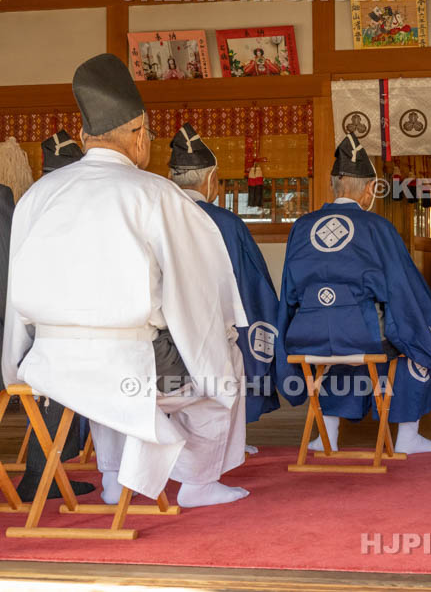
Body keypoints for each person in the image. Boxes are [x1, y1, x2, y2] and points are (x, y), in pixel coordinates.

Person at [2, 53, 249, 509]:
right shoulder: (155, 195)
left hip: (51, 366)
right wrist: (214, 357)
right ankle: (198, 483)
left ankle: (115, 478)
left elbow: (17, 294)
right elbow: (198, 301)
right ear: (138, 135)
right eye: (149, 134)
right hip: (133, 365)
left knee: (99, 374)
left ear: (82, 136)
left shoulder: (38, 195)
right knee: (226, 363)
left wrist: (14, 364)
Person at [276, 133, 431, 454]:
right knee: (415, 339)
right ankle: (408, 437)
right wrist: (430, 324)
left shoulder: (302, 226)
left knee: (335, 343)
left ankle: (325, 435)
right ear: (370, 189)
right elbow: (403, 286)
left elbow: (289, 291)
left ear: (333, 185)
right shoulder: (376, 227)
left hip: (307, 336)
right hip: (363, 335)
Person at [167, 123, 281, 431]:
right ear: (211, 180)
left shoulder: (155, 216)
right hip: (213, 338)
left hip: (161, 338)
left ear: (169, 179)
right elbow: (252, 287)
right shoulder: (227, 223)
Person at [14, 130, 96, 500]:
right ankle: (40, 474)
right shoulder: (71, 203)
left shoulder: (34, 198)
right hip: (59, 315)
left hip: (34, 312)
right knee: (56, 392)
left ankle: (45, 471)